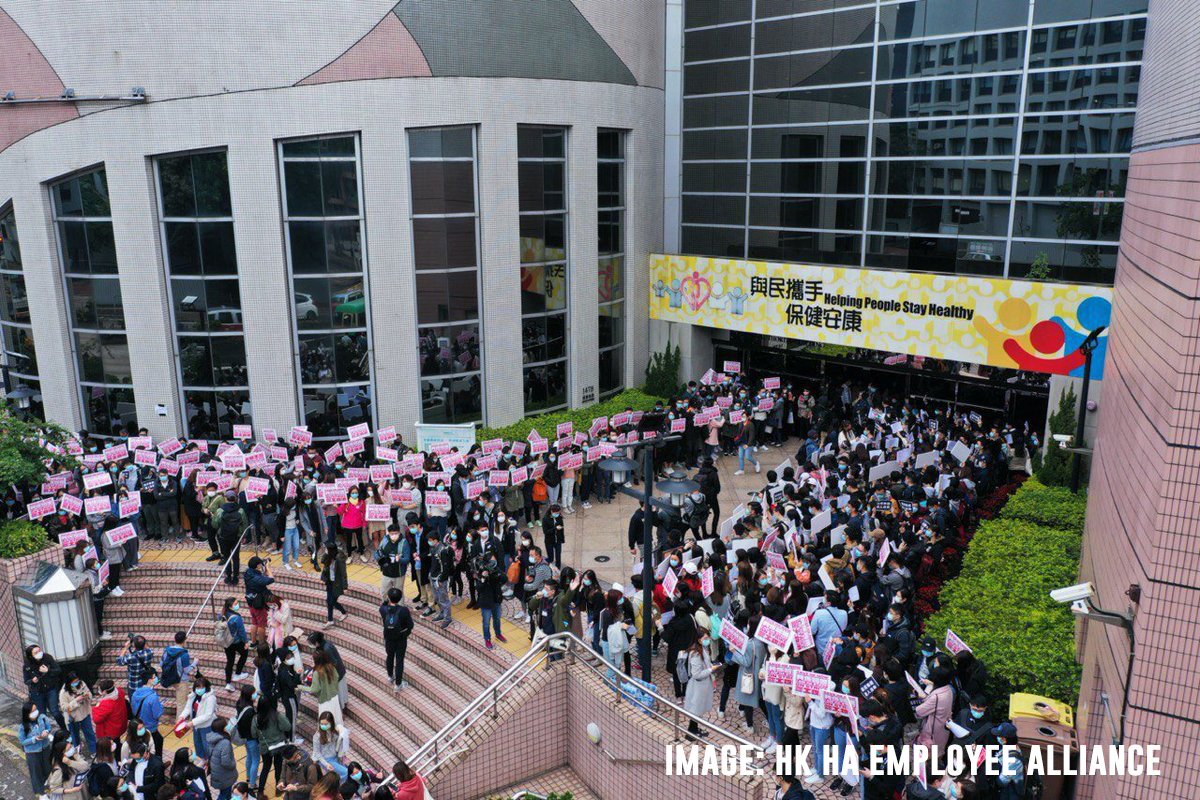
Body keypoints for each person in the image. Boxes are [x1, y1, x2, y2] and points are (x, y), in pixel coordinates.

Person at [680, 632, 718, 740]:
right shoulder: (696, 654)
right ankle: (691, 734)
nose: (708, 639)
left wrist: (712, 666)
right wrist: (711, 669)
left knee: (697, 710)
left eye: (708, 637)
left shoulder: (702, 649)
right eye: (705, 638)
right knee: (695, 710)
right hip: (698, 687)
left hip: (702, 686)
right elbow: (696, 674)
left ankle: (694, 729)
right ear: (699, 639)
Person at [251, 696, 292, 797]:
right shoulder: (276, 715)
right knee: (278, 767)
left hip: (265, 748)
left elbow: (253, 734)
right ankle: (278, 790)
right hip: (279, 746)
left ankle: (260, 791)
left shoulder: (256, 719)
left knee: (265, 768)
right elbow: (287, 726)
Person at [24, 644, 66, 730]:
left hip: (51, 689)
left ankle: (65, 729)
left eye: (39, 651)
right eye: (36, 652)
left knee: (55, 711)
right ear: (31, 656)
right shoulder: (27, 665)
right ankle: (45, 732)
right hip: (37, 693)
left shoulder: (47, 658)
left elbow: (58, 670)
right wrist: (32, 680)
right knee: (42, 715)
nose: (39, 653)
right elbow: (26, 680)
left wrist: (48, 671)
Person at [19, 700, 54, 800]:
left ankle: (47, 782)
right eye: (33, 711)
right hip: (32, 752)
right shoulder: (23, 726)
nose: (36, 712)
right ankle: (41, 793)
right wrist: (34, 739)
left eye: (36, 710)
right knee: (36, 773)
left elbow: (49, 727)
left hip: (45, 748)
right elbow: (22, 741)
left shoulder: (42, 718)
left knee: (48, 768)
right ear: (27, 714)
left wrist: (46, 731)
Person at [380, 587, 414, 689]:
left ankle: (390, 676)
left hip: (388, 637)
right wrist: (405, 633)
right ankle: (398, 684)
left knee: (389, 656)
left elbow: (383, 604)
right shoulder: (404, 610)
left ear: (388, 597)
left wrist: (387, 600)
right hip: (400, 638)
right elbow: (410, 625)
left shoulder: (383, 609)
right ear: (400, 598)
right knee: (399, 660)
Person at [177, 676, 217, 760]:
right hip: (196, 725)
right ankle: (203, 759)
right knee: (198, 744)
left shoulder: (210, 698)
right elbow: (188, 708)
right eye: (198, 687)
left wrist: (192, 722)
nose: (200, 689)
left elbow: (208, 715)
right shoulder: (193, 696)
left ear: (206, 687)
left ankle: (209, 761)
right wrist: (182, 716)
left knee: (207, 746)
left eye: (202, 687)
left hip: (206, 726)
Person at [307, 630, 348, 710]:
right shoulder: (322, 645)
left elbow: (334, 662)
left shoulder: (327, 648)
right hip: (334, 672)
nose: (311, 645)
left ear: (317, 642)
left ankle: (341, 707)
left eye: (312, 643)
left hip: (337, 673)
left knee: (339, 692)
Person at [302, 648, 343, 728]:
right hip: (334, 697)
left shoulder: (317, 673)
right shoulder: (331, 667)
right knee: (336, 718)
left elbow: (314, 689)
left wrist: (301, 687)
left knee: (325, 721)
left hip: (324, 700)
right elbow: (337, 677)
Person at [59, 672, 97, 755]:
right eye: (74, 682)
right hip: (73, 718)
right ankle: (78, 753)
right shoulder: (63, 692)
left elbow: (90, 694)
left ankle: (94, 751)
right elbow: (64, 707)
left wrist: (87, 696)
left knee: (90, 733)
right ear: (69, 682)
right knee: (75, 737)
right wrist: (76, 700)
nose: (76, 683)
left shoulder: (82, 684)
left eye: (77, 681)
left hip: (85, 713)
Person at [130, 667, 165, 755]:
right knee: (156, 745)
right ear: (149, 680)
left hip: (139, 727)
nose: (156, 678)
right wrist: (161, 706)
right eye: (154, 677)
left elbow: (134, 710)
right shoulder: (153, 697)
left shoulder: (135, 694)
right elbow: (157, 714)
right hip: (151, 728)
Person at [161, 631, 195, 720]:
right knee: (181, 704)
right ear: (184, 641)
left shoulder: (167, 651)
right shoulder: (184, 654)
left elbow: (161, 664)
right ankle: (179, 724)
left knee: (182, 702)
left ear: (175, 640)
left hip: (169, 678)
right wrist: (194, 663)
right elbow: (187, 670)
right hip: (181, 681)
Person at [218, 597, 251, 691]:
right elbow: (241, 632)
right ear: (230, 606)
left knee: (230, 661)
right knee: (244, 653)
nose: (237, 605)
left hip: (227, 642)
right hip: (236, 641)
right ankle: (238, 673)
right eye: (235, 604)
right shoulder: (236, 617)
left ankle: (228, 683)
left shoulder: (221, 614)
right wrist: (246, 642)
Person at [92, 679, 129, 761]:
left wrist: (96, 707)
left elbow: (96, 719)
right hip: (119, 726)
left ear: (105, 691)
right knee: (118, 743)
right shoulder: (119, 692)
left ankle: (116, 761)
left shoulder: (106, 704)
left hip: (110, 731)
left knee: (111, 749)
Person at [243, 556, 275, 645]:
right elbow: (271, 579)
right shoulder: (256, 578)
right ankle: (262, 644)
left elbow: (261, 577)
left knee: (254, 622)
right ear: (257, 565)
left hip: (251, 602)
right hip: (258, 604)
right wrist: (267, 567)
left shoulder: (248, 572)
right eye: (260, 564)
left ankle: (253, 642)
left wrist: (263, 570)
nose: (262, 565)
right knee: (261, 625)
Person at [232, 686, 259, 792]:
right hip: (251, 738)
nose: (256, 694)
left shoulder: (239, 702)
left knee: (249, 756)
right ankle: (252, 784)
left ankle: (248, 776)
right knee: (255, 760)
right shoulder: (250, 710)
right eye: (254, 693)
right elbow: (254, 726)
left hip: (244, 737)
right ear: (249, 695)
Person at [476, 560, 507, 650]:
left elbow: (505, 579)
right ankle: (487, 639)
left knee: (497, 619)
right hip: (486, 602)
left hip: (496, 599)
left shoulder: (495, 570)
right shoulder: (481, 573)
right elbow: (479, 588)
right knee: (486, 623)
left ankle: (498, 634)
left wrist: (497, 571)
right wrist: (483, 578)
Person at [311, 711, 350, 780]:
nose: (323, 726)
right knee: (346, 772)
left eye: (326, 724)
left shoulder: (334, 731)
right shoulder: (317, 736)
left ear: (331, 723)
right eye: (321, 724)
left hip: (335, 757)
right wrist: (326, 764)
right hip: (326, 760)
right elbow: (317, 752)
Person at [205, 718, 238, 800]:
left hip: (217, 773)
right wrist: (233, 764)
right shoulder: (225, 742)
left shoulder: (211, 737)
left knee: (225, 793)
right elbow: (226, 762)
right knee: (224, 795)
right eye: (226, 725)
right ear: (222, 728)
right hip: (225, 776)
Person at [375, 524, 409, 600]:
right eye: (392, 534)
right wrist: (379, 559)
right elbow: (377, 552)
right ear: (389, 533)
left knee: (399, 595)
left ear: (399, 532)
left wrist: (399, 559)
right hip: (386, 572)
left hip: (399, 574)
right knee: (384, 593)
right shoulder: (385, 539)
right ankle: (385, 606)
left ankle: (400, 607)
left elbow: (407, 559)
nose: (394, 535)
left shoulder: (404, 542)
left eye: (395, 533)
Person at [320, 547, 349, 626]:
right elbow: (322, 561)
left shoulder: (339, 559)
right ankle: (330, 620)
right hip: (330, 582)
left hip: (337, 584)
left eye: (327, 550)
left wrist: (345, 587)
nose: (325, 550)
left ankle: (344, 612)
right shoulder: (328, 557)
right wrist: (325, 554)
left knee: (332, 601)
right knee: (329, 601)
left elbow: (343, 573)